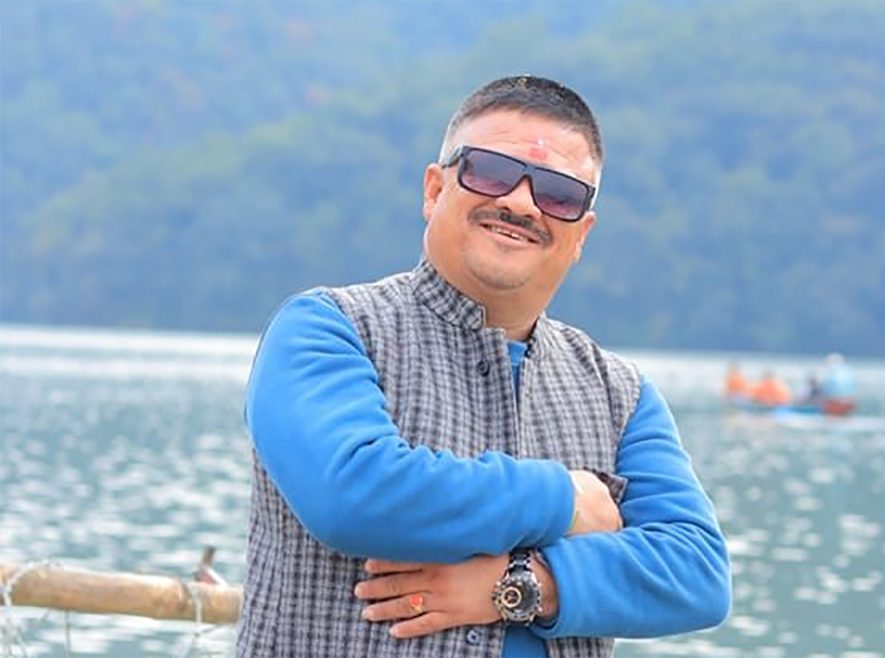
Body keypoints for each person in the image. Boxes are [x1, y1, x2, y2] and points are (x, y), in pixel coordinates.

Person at [238, 75, 730, 658]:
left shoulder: (619, 392)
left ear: (581, 234)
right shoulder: (328, 328)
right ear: (434, 189)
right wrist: (568, 500)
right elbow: (352, 494)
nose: (521, 203)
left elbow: (697, 571)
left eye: (559, 194)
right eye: (491, 172)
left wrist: (524, 586)